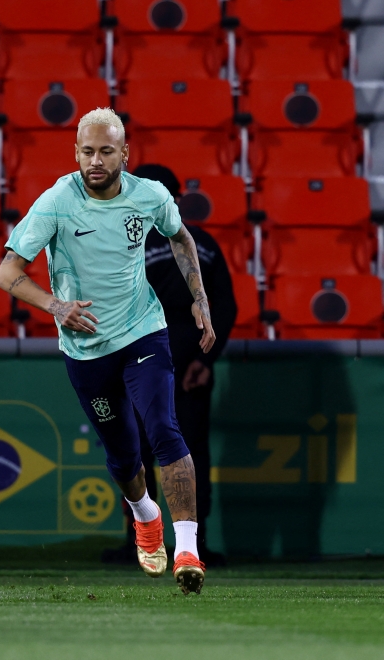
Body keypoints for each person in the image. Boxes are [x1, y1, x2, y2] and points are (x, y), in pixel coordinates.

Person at [0, 108, 216, 595]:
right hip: (85, 347)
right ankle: (144, 515)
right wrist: (56, 305)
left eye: (105, 152)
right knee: (122, 456)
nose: (95, 161)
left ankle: (187, 549)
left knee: (163, 426)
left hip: (143, 330)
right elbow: (7, 273)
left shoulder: (150, 196)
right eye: (86, 152)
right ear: (75, 152)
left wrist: (199, 297)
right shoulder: (57, 201)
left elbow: (181, 237)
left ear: (125, 154)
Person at [136, 163, 236, 565]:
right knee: (185, 451)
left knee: (142, 451)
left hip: (145, 357)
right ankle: (193, 542)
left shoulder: (128, 244)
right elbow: (224, 307)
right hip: (183, 356)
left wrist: (204, 359)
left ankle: (145, 545)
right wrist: (206, 359)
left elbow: (224, 307)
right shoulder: (202, 242)